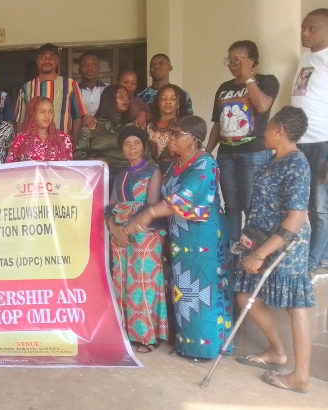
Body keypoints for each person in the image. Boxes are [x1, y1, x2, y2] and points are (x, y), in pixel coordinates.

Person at [128, 115, 232, 363]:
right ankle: (187, 344)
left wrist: (149, 214)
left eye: (177, 134)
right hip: (181, 238)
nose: (171, 139)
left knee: (204, 289)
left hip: (204, 236)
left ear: (193, 139)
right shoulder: (176, 164)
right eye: (171, 133)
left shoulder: (205, 164)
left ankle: (208, 348)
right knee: (184, 289)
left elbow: (183, 199)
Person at [230, 107, 313, 393]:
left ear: (279, 130)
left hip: (285, 246)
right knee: (245, 295)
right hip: (260, 240)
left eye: (267, 127)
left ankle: (301, 376)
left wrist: (260, 254)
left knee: (295, 305)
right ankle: (277, 352)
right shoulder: (273, 160)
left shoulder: (296, 163)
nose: (262, 132)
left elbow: (296, 217)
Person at [206, 40, 279, 250]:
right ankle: (232, 254)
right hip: (226, 153)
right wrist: (207, 152)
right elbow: (218, 124)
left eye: (237, 59)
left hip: (253, 153)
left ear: (252, 60)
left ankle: (252, 252)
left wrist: (248, 78)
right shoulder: (224, 88)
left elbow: (263, 106)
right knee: (231, 206)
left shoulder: (267, 81)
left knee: (251, 206)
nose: (232, 64)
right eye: (229, 60)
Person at [106, 126, 167, 353]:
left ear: (144, 147)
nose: (132, 148)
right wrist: (115, 229)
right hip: (120, 236)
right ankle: (124, 333)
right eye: (127, 144)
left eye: (136, 143)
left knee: (143, 282)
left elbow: (150, 206)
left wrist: (128, 231)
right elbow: (110, 208)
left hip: (144, 233)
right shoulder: (120, 176)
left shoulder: (153, 171)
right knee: (121, 281)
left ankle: (146, 337)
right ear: (122, 149)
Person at [292, 8, 328, 274]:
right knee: (302, 203)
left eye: (311, 28)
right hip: (300, 142)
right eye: (303, 27)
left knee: (319, 205)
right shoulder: (305, 58)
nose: (304, 33)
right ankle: (320, 255)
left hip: (322, 141)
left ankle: (314, 260)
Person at [14, 43, 86, 140]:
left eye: (51, 57)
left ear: (57, 61)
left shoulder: (70, 84)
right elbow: (20, 120)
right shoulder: (26, 88)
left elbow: (78, 116)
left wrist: (74, 143)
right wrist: (21, 142)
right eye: (43, 57)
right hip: (33, 145)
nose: (47, 61)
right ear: (37, 61)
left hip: (62, 143)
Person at [75, 84, 134, 180]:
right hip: (100, 176)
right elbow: (78, 155)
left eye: (127, 97)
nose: (126, 99)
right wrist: (93, 161)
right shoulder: (92, 126)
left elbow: (146, 155)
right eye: (120, 96)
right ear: (109, 100)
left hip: (129, 176)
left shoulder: (132, 126)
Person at [5, 97, 73, 162]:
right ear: (33, 114)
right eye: (42, 112)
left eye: (51, 112)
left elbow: (68, 167)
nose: (47, 115)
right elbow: (11, 166)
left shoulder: (63, 139)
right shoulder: (21, 139)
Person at [147, 84, 189, 174]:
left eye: (173, 99)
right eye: (164, 99)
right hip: (151, 172)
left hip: (176, 172)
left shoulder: (184, 126)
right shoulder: (149, 125)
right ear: (158, 103)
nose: (168, 102)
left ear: (179, 103)